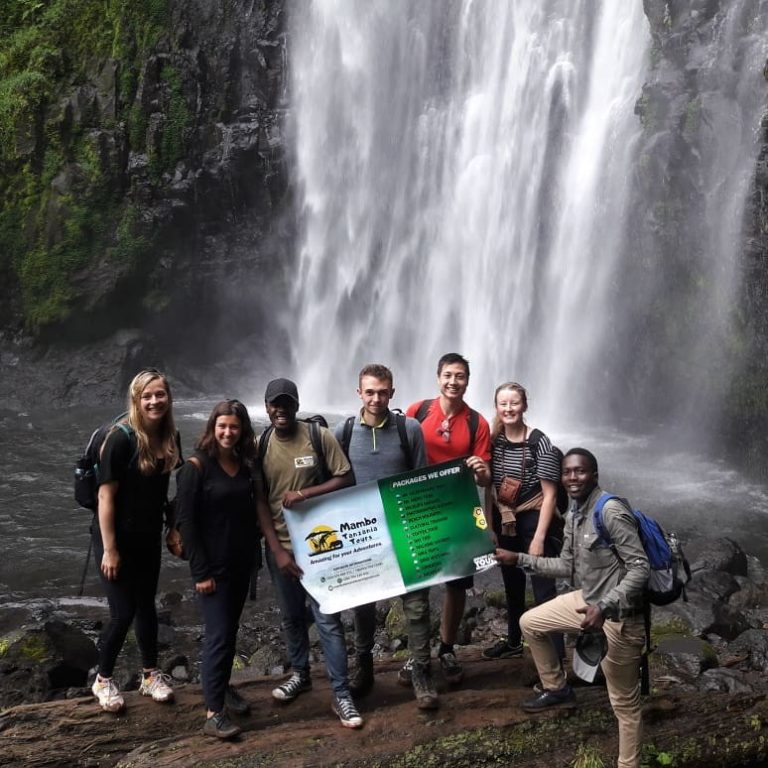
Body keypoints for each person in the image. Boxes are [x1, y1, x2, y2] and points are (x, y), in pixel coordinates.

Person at [495, 448, 649, 768]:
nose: (572, 477)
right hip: (586, 601)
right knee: (530, 622)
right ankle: (557, 688)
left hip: (620, 616)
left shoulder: (610, 511)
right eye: (567, 472)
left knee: (624, 704)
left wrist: (604, 606)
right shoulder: (575, 512)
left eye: (580, 471)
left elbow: (640, 569)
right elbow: (567, 565)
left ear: (594, 475)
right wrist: (519, 559)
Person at [257, 378, 363, 729]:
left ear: (297, 405)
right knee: (291, 616)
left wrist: (305, 494)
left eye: (287, 403)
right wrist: (277, 551)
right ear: (267, 407)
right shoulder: (261, 444)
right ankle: (300, 674)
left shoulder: (319, 436)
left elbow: (346, 477)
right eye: (275, 403)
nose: (281, 409)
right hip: (282, 550)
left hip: (321, 548)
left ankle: (341, 693)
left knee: (328, 619)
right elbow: (260, 501)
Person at [334, 363, 438, 708]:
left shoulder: (409, 429)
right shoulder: (344, 431)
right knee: (362, 607)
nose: (376, 399)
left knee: (417, 605)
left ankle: (422, 671)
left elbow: (422, 479)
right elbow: (334, 484)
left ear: (392, 392)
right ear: (359, 393)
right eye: (370, 392)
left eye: (382, 392)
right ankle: (364, 669)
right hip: (362, 536)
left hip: (405, 530)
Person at [91, 369, 182, 713]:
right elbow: (105, 498)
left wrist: (173, 528)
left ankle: (150, 675)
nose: (154, 401)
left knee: (147, 606)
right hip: (115, 537)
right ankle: (102, 680)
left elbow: (167, 491)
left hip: (147, 535)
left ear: (168, 397)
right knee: (122, 612)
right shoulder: (121, 439)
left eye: (160, 394)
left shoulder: (171, 436)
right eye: (147, 396)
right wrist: (110, 549)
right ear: (136, 400)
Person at [403, 353, 491, 686]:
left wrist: (481, 470)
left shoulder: (477, 423)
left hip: (459, 512)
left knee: (457, 584)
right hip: (420, 509)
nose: (453, 382)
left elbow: (485, 479)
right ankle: (417, 653)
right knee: (419, 583)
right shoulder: (417, 412)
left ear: (467, 381)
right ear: (438, 377)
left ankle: (447, 648)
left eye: (460, 376)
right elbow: (400, 458)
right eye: (448, 375)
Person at [175, 400, 262, 739]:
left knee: (229, 631)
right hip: (213, 569)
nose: (228, 432)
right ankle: (213, 713)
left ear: (242, 431)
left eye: (234, 427)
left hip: (240, 565)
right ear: (212, 427)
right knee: (218, 635)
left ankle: (222, 687)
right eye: (222, 426)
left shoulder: (243, 465)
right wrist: (200, 573)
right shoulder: (195, 467)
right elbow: (187, 524)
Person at [479, 382, 565, 663]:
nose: (508, 409)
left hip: (533, 518)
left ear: (524, 405)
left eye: (514, 403)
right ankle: (515, 642)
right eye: (503, 404)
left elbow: (550, 495)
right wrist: (489, 527)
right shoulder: (494, 441)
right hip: (505, 520)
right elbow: (489, 489)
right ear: (496, 407)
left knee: (544, 588)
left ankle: (555, 657)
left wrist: (539, 538)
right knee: (512, 585)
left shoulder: (540, 441)